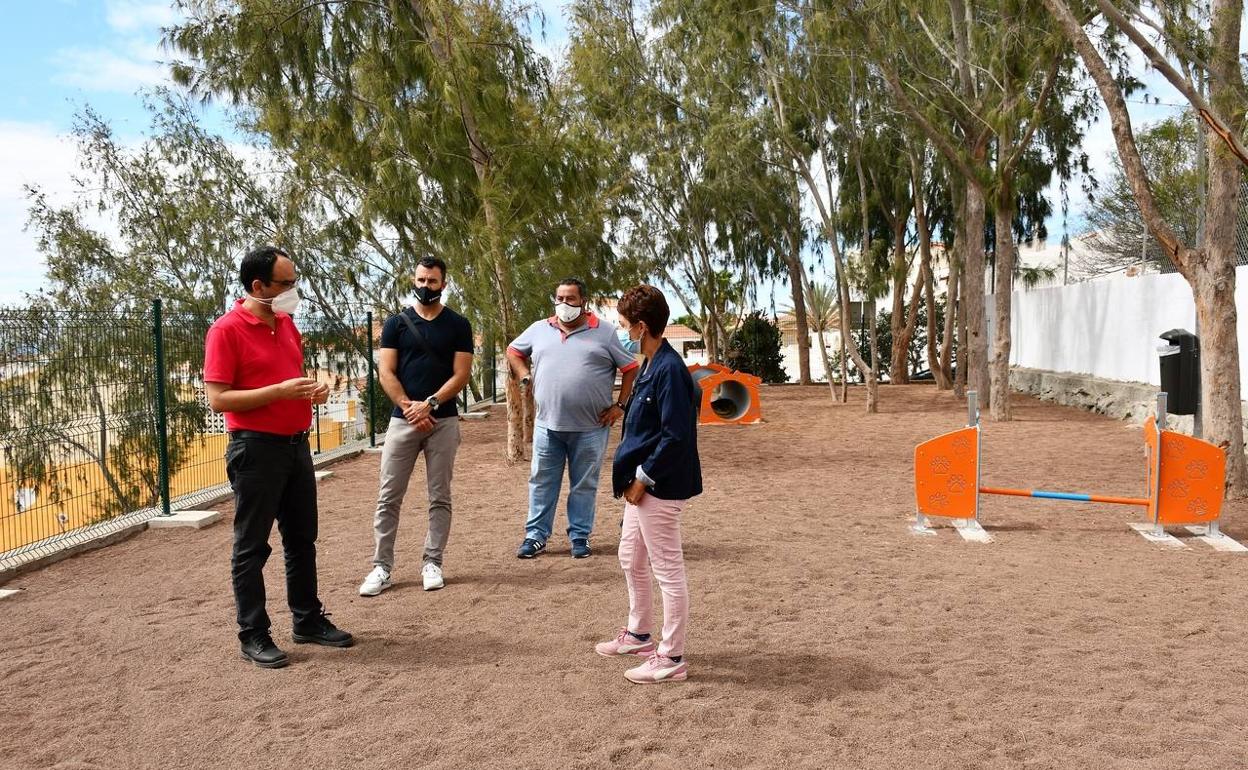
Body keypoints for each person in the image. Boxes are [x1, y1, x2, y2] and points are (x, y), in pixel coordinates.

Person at [204, 246, 354, 669]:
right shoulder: (226, 330)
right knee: (251, 546)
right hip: (254, 449)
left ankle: (307, 619)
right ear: (258, 286)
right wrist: (279, 392)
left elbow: (291, 379)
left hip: (295, 444)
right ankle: (253, 634)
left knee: (302, 539)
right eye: (286, 283)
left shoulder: (287, 323)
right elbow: (218, 399)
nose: (294, 290)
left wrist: (313, 391)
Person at [595, 284, 701, 684]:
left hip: (658, 486)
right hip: (641, 484)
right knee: (631, 557)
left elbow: (675, 436)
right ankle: (639, 634)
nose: (622, 332)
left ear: (642, 326)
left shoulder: (670, 370)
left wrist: (644, 479)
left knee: (667, 570)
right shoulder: (650, 364)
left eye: (625, 326)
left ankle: (671, 656)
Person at [359, 256, 473, 596]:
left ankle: (432, 561)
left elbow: (461, 374)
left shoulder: (458, 325)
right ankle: (381, 567)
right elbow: (386, 372)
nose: (425, 287)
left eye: (432, 281)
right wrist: (410, 408)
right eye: (421, 280)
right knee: (388, 496)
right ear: (414, 281)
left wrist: (431, 404)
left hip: (444, 419)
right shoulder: (396, 323)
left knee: (440, 496)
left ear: (443, 284)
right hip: (403, 420)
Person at [507, 278, 640, 559]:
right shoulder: (539, 329)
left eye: (571, 299)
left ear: (584, 302)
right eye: (560, 298)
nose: (564, 304)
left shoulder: (603, 332)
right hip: (547, 426)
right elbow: (514, 351)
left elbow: (630, 367)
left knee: (584, 484)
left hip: (591, 428)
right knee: (542, 482)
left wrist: (620, 405)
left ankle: (580, 537)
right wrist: (524, 375)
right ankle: (535, 536)